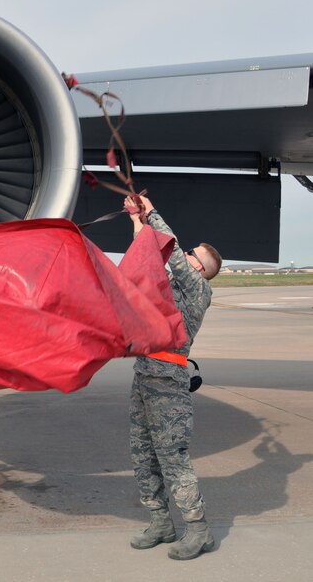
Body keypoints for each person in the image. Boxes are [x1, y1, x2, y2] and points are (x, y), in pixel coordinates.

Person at [124, 195, 222, 561]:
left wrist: (151, 212)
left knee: (173, 457)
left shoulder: (199, 289)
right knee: (143, 452)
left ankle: (199, 530)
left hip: (168, 381)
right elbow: (145, 253)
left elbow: (170, 248)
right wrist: (137, 218)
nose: (186, 256)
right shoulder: (171, 288)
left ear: (199, 268)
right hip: (146, 373)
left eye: (192, 255)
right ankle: (160, 521)